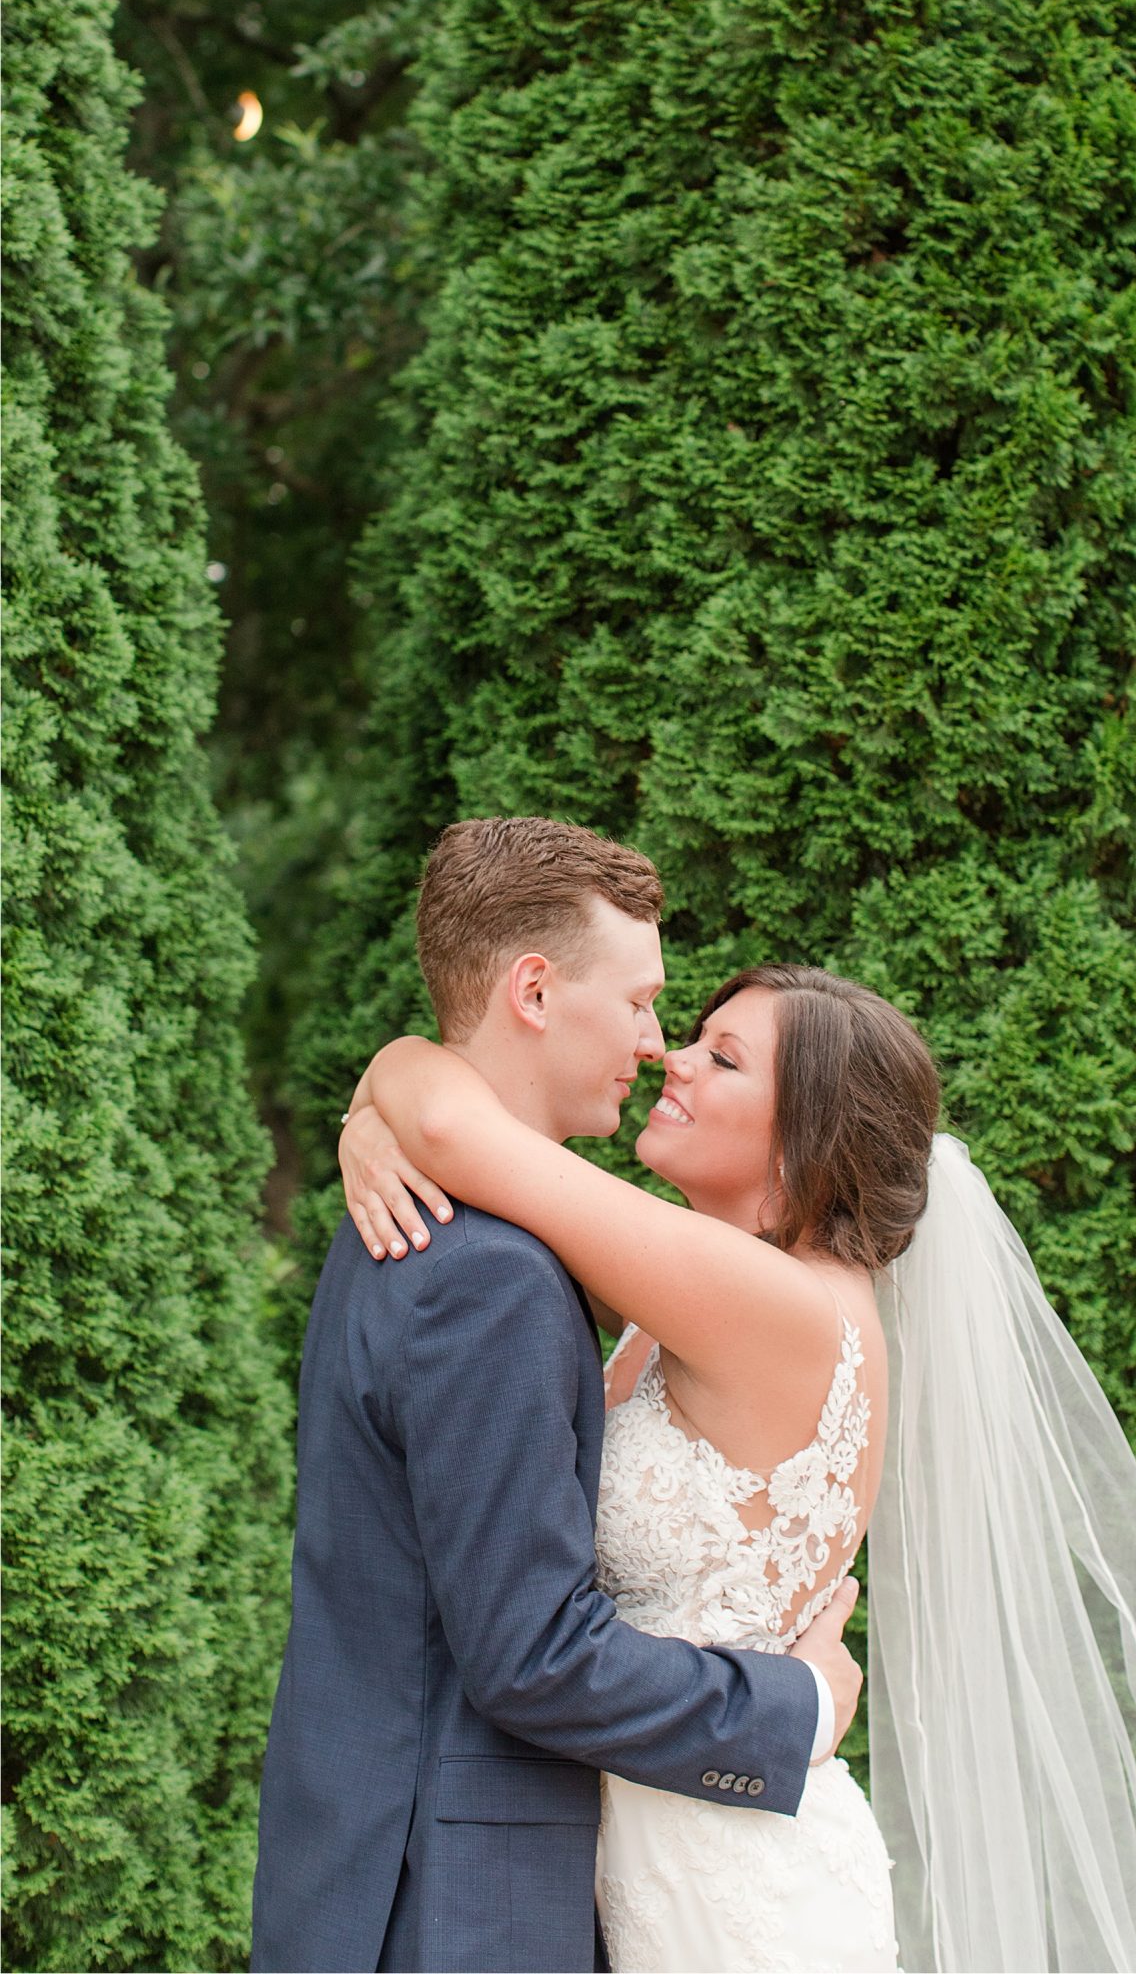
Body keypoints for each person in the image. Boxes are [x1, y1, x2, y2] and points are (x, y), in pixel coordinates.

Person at [344, 945, 1136, 1972]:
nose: (669, 1058)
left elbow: (448, 1120)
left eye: (721, 1058)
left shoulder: (774, 1306)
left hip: (738, 1883)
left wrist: (378, 1098)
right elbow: (448, 1129)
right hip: (668, 1840)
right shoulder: (718, 1282)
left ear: (805, 1143)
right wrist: (372, 1124)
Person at [250, 819, 864, 1974]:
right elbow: (530, 1653)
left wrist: (385, 1083)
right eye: (639, 1001)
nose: (654, 1042)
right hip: (446, 1905)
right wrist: (791, 1710)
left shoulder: (406, 1200)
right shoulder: (487, 1271)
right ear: (533, 989)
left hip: (384, 1857)